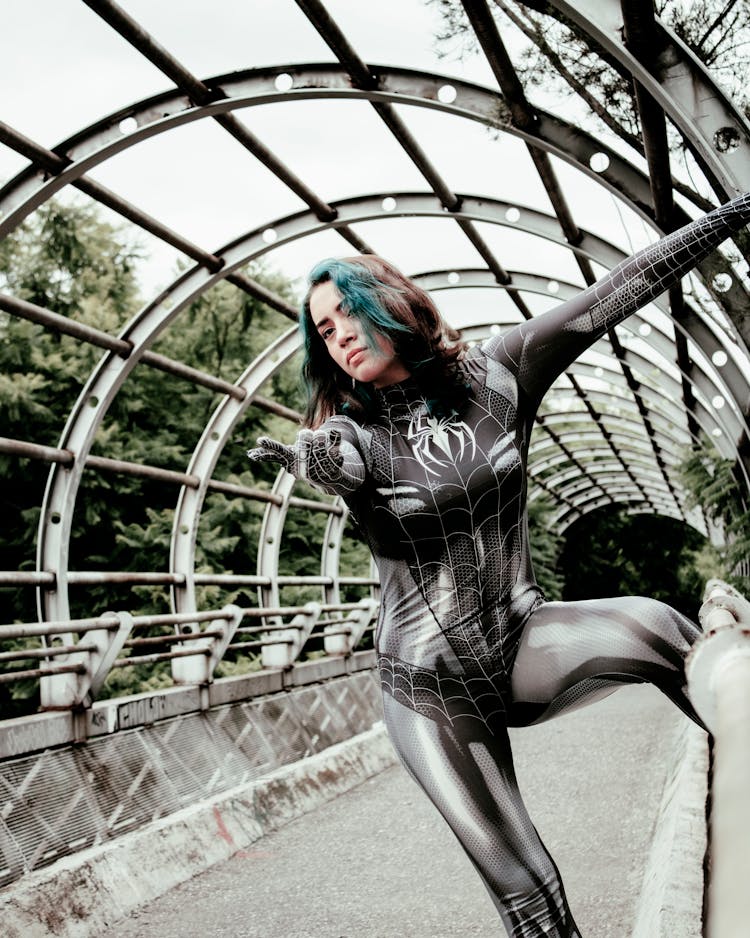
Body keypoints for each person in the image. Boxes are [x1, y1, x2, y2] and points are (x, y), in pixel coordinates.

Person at [247, 191, 750, 938]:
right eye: (324, 330)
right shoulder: (350, 435)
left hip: (522, 642)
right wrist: (317, 460)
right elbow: (338, 461)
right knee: (531, 891)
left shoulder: (501, 372)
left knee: (662, 629)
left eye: (349, 311)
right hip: (428, 684)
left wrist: (729, 216)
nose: (340, 336)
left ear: (392, 301)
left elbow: (618, 291)